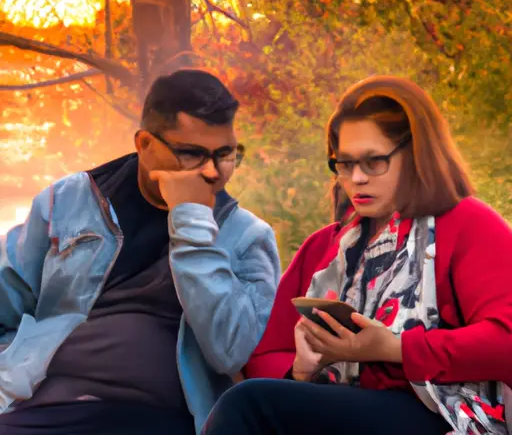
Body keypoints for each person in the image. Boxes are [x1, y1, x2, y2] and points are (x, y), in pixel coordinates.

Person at [202, 76, 512, 435]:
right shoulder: (325, 246)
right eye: (345, 163)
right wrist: (302, 369)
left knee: (247, 404)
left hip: (437, 414)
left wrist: (394, 348)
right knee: (248, 399)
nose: (357, 178)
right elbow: (267, 353)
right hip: (342, 407)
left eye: (374, 162)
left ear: (416, 155)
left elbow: (505, 341)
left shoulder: (466, 224)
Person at [0, 69, 280, 435]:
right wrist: (14, 367)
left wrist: (192, 221)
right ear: (145, 144)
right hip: (44, 404)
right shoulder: (69, 201)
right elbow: (7, 298)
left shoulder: (247, 237)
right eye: (192, 154)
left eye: (225, 154)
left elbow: (229, 350)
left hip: (160, 417)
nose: (213, 173)